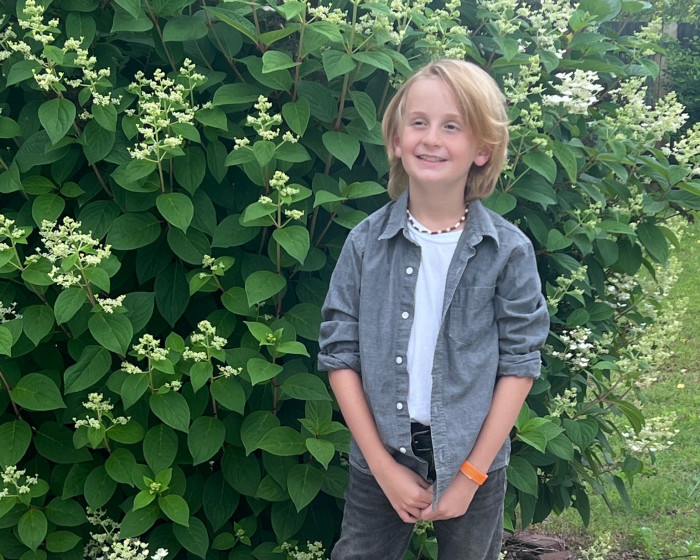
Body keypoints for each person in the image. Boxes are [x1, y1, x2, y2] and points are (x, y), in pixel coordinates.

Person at [317, 59, 550, 560]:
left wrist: (469, 476)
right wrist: (383, 469)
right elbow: (339, 354)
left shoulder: (508, 251)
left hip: (474, 462)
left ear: (483, 150)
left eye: (452, 126)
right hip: (380, 457)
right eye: (418, 122)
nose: (431, 139)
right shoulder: (364, 244)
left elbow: (519, 364)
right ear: (396, 140)